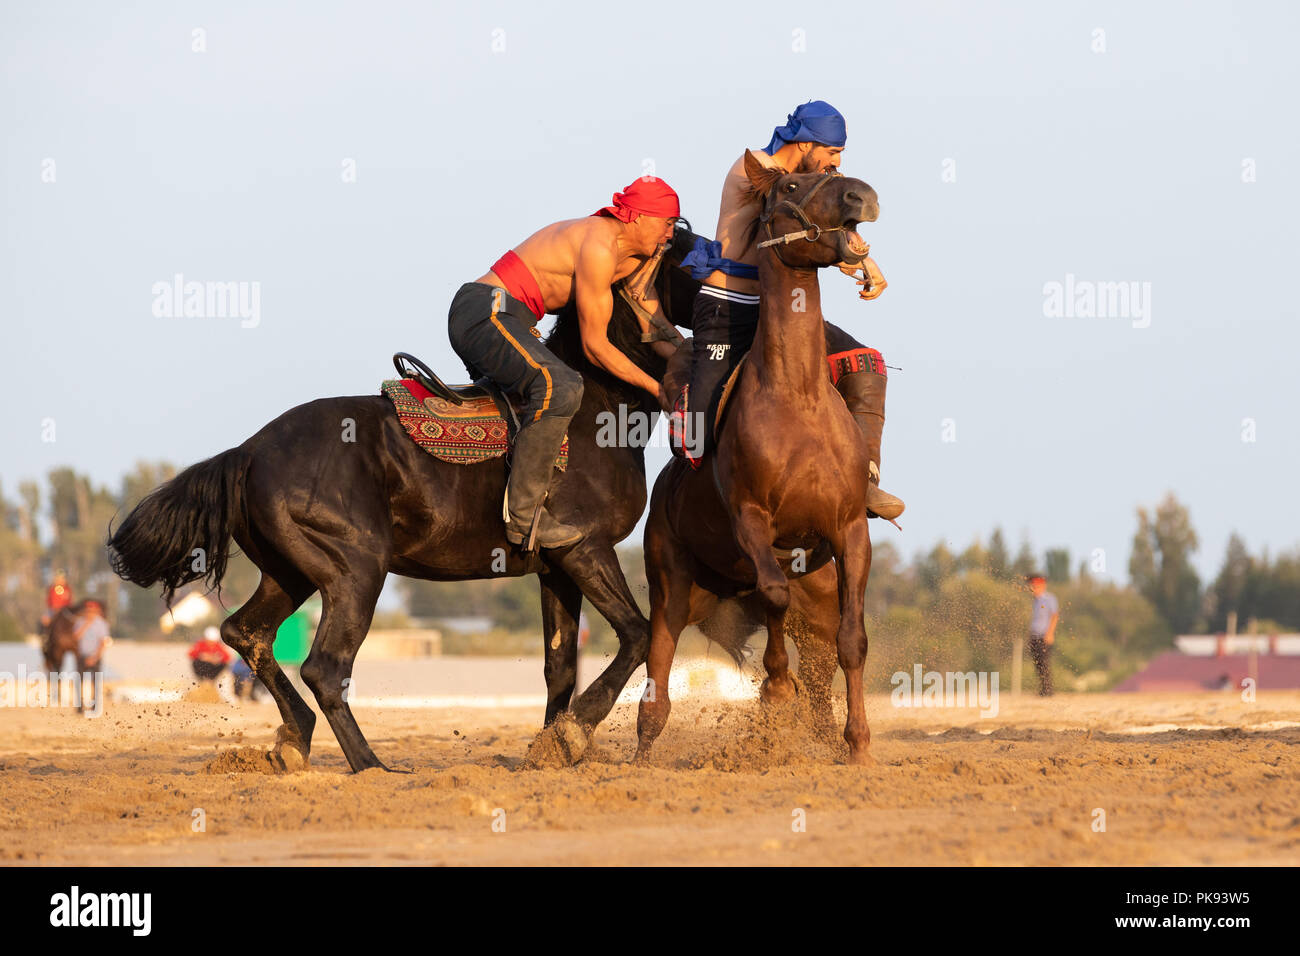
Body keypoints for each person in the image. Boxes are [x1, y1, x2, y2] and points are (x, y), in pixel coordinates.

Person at [673, 100, 902, 521]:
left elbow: (823, 231)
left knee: (865, 363)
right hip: (728, 306)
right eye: (832, 153)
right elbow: (795, 218)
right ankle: (702, 507)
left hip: (780, 313)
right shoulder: (755, 169)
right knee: (695, 433)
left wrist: (863, 258)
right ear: (807, 143)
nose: (836, 162)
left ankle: (863, 481)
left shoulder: (807, 181)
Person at [446, 176, 681, 549]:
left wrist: (690, 363)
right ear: (637, 217)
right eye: (668, 223)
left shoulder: (632, 258)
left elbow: (657, 327)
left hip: (514, 320)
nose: (671, 234)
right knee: (563, 385)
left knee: (527, 408)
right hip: (484, 311)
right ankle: (523, 518)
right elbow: (594, 346)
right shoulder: (599, 244)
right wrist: (656, 389)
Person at [71, 599, 111, 712]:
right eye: (88, 610)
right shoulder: (80, 622)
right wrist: (86, 625)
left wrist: (95, 657)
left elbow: (103, 642)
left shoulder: (101, 624)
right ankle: (79, 706)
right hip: (82, 655)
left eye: (92, 610)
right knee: (79, 681)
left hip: (95, 657)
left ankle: (95, 705)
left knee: (96, 682)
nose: (90, 613)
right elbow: (75, 638)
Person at [1026, 575, 1060, 696]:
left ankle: (1048, 689)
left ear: (1042, 586)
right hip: (1034, 635)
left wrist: (1050, 634)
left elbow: (1054, 616)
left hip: (1044, 636)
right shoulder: (1035, 601)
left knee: (1044, 663)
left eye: (1035, 586)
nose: (1032, 589)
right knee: (1038, 663)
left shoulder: (1049, 599)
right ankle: (1043, 688)